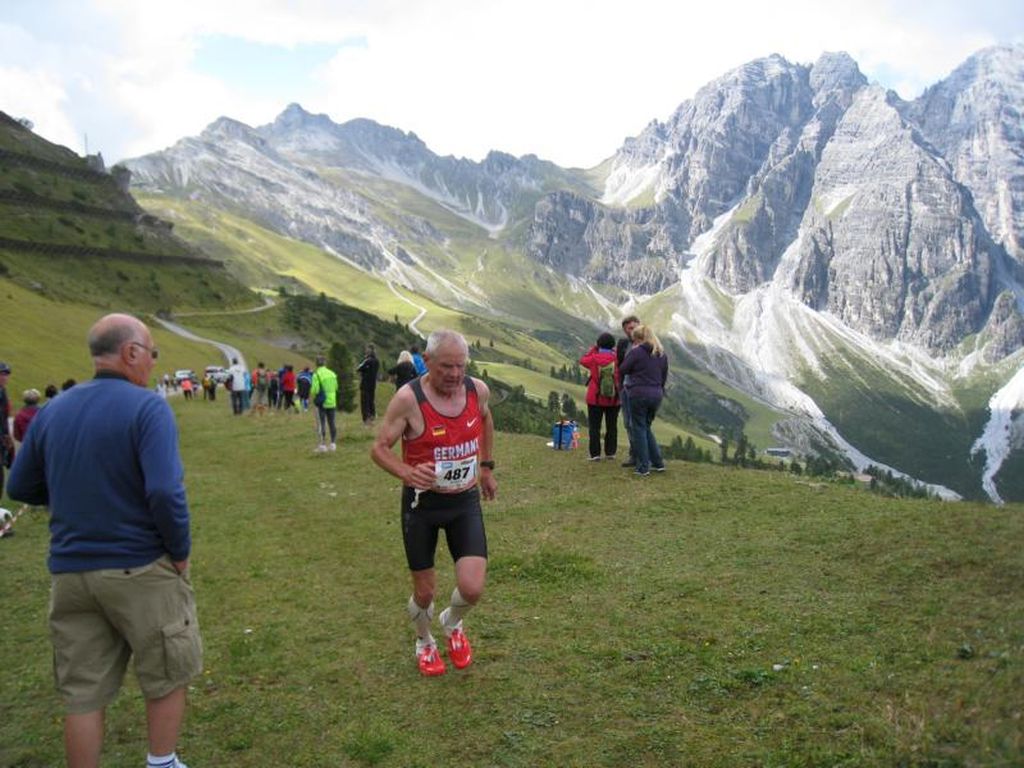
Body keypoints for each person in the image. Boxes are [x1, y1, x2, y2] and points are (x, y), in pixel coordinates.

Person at [7, 313, 201, 768]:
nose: (153, 362)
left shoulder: (54, 410)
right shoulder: (147, 407)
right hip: (140, 566)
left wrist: (73, 494)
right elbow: (164, 491)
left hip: (70, 573)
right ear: (131, 352)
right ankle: (161, 761)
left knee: (82, 692)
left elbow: (19, 486)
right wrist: (179, 551)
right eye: (152, 353)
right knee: (166, 672)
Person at [370, 329, 497, 677]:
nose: (455, 374)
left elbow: (486, 418)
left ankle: (452, 622)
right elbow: (379, 448)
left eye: (461, 366)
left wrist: (486, 467)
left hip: (464, 501)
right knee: (424, 592)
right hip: (422, 506)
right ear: (426, 361)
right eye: (446, 367)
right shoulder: (408, 399)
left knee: (472, 588)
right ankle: (424, 640)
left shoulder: (477, 390)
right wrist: (407, 473)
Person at [618, 324, 668, 476]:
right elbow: (663, 376)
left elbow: (623, 369)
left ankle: (643, 466)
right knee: (646, 427)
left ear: (638, 339)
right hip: (656, 394)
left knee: (638, 428)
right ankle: (658, 463)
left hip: (638, 393)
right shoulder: (661, 353)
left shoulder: (637, 352)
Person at [579, 332, 621, 461]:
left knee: (594, 427)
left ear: (599, 344)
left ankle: (595, 454)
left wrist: (594, 348)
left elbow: (583, 360)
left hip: (595, 398)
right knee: (612, 426)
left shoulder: (593, 358)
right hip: (614, 399)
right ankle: (610, 453)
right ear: (613, 345)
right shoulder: (617, 359)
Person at [616, 315, 641, 467]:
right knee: (627, 423)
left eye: (634, 327)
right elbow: (619, 365)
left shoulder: (647, 343)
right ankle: (634, 454)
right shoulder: (623, 344)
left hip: (640, 389)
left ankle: (643, 456)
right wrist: (619, 386)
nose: (632, 331)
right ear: (625, 330)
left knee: (638, 423)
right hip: (625, 388)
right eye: (628, 328)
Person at [309, 355, 339, 452]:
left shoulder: (316, 375)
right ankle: (333, 444)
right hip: (332, 401)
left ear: (316, 363)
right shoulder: (332, 374)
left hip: (321, 402)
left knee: (321, 424)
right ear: (325, 363)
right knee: (332, 422)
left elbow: (315, 390)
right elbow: (336, 387)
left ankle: (322, 445)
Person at [356, 344, 380, 425]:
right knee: (371, 400)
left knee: (364, 401)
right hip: (373, 384)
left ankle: (366, 418)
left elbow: (358, 368)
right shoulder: (377, 361)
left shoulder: (367, 361)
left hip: (365, 383)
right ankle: (372, 415)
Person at [0, 361, 12, 494]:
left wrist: (7, 435)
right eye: (2, 374)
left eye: (6, 374)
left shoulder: (3, 392)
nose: (4, 377)